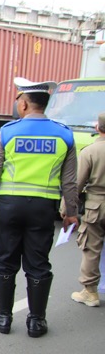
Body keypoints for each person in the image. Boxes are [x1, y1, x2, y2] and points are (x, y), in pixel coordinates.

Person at [0, 77, 78, 338]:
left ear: (23, 103)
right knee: (38, 263)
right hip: (43, 209)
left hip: (9, 206)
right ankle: (36, 322)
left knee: (5, 261)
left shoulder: (8, 132)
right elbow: (70, 181)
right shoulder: (64, 134)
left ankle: (3, 317)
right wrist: (72, 213)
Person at [71, 112, 105, 307]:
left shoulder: (89, 152)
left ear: (97, 128)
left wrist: (67, 209)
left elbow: (76, 185)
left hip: (96, 205)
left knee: (91, 249)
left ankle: (90, 292)